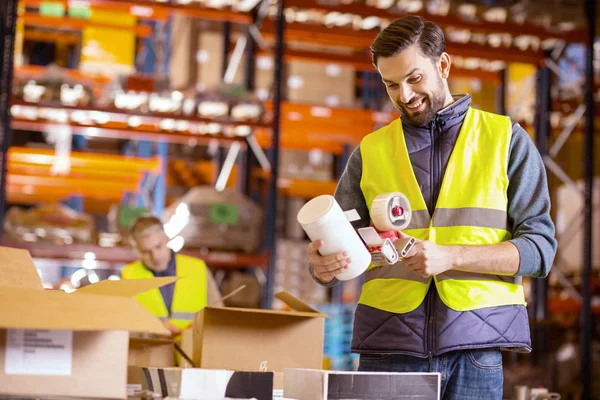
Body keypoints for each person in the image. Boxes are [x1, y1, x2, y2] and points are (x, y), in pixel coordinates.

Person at [307, 15, 557, 400]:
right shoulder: (371, 152)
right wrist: (322, 265)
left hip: (474, 350)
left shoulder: (505, 141)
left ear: (443, 65)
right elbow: (343, 242)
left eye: (414, 78)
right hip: (387, 348)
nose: (404, 95)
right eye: (391, 85)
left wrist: (449, 256)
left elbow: (540, 251)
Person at [122, 215, 223, 337]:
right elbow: (123, 325)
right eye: (146, 252)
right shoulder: (129, 275)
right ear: (137, 250)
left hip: (191, 351)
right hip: (151, 352)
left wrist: (202, 327)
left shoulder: (197, 268)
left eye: (158, 247)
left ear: (167, 239)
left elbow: (218, 314)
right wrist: (152, 331)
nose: (155, 257)